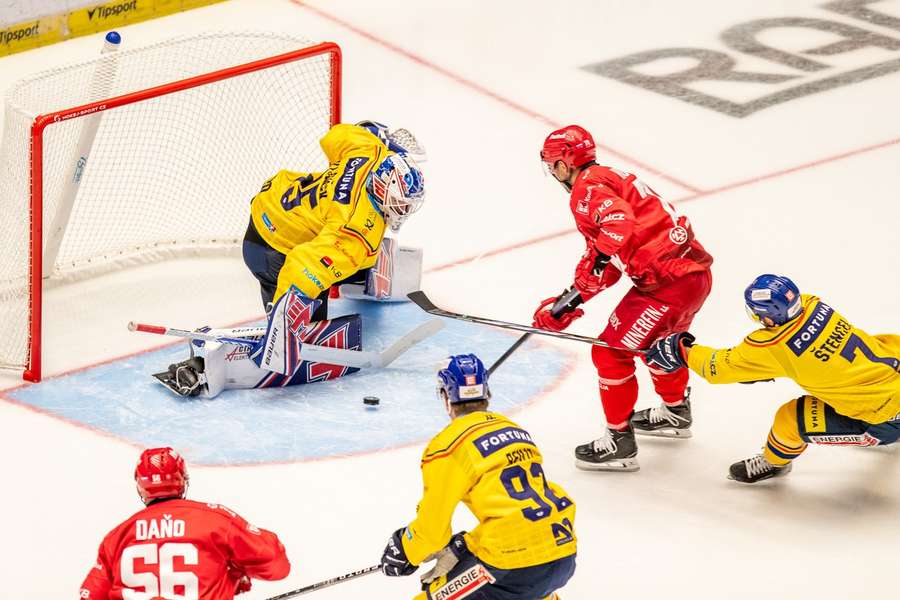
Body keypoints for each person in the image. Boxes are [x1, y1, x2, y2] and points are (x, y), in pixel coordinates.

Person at [153, 121, 426, 397]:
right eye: (400, 202)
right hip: (269, 251)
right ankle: (203, 368)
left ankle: (354, 279)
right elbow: (300, 267)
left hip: (276, 199)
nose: (403, 210)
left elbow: (335, 137)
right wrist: (284, 325)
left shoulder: (370, 152)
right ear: (382, 189)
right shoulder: (353, 235)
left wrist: (379, 138)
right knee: (304, 334)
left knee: (355, 258)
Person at [532, 125, 713, 472]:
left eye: (554, 164)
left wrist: (598, 257)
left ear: (564, 164)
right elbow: (611, 263)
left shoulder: (585, 189)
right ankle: (675, 412)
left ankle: (619, 441)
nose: (553, 172)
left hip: (667, 284)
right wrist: (569, 301)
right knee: (659, 347)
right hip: (691, 277)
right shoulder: (607, 176)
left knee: (610, 352)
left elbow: (618, 223)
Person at [645, 274, 900, 483]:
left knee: (790, 418)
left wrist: (682, 351)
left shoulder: (773, 345)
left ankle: (774, 463)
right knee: (883, 342)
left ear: (767, 317)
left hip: (885, 420)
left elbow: (719, 368)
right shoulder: (814, 304)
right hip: (892, 374)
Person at [380, 354, 577, 600]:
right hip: (563, 554)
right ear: (487, 393)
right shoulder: (514, 430)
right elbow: (522, 508)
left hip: (510, 564)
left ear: (445, 397)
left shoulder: (447, 446)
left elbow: (432, 530)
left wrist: (406, 549)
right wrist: (465, 545)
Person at [78, 447, 290, 598]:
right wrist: (234, 572)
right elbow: (275, 563)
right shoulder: (215, 520)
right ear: (182, 481)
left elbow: (91, 595)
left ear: (141, 486)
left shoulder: (118, 536)